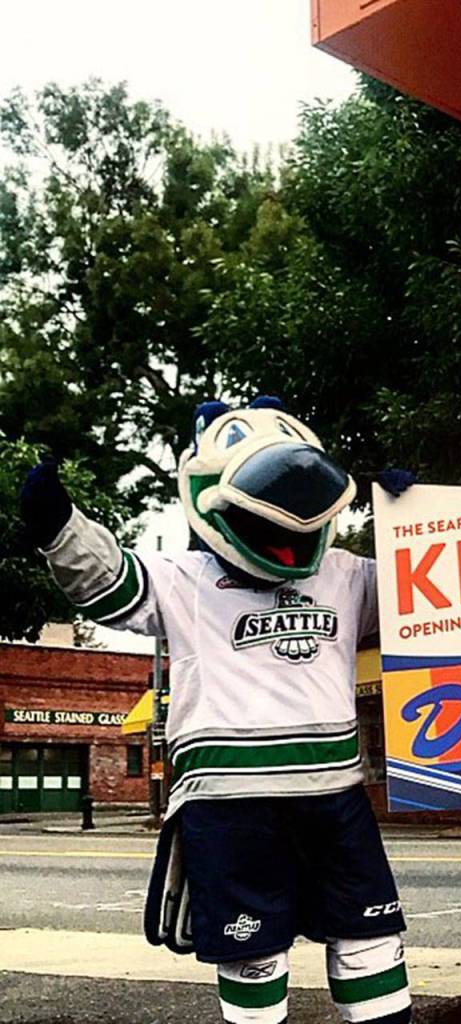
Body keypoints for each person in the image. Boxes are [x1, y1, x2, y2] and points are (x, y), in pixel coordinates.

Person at [19, 397, 415, 1024]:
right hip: (230, 804)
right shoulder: (183, 579)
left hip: (333, 794)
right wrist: (62, 529)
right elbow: (112, 584)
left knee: (370, 941)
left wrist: (411, 523)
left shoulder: (346, 574)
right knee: (253, 955)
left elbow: (430, 597)